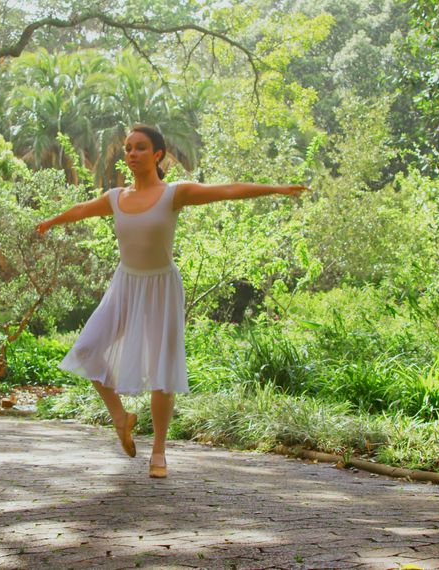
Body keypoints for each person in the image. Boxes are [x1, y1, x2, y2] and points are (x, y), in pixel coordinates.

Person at [36, 124, 306, 478]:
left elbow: (225, 190)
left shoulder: (174, 194)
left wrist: (277, 189)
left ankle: (159, 452)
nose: (131, 154)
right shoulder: (116, 197)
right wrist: (51, 221)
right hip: (126, 284)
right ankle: (121, 418)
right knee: (87, 349)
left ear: (158, 154)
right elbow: (81, 209)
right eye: (128, 148)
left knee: (162, 371)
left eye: (141, 148)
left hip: (161, 287)